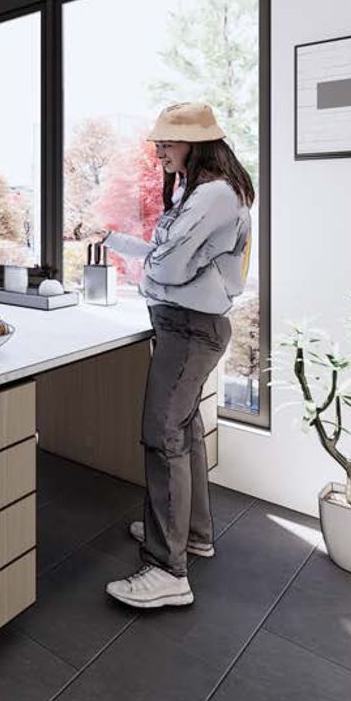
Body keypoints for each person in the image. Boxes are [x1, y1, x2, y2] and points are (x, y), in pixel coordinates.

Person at [86, 102, 253, 610]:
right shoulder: (197, 192)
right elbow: (166, 256)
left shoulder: (214, 195)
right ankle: (190, 533)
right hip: (185, 325)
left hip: (188, 329)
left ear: (197, 145)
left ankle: (166, 568)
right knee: (184, 432)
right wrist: (116, 241)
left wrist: (162, 265)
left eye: (168, 142)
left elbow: (169, 265)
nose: (158, 150)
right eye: (158, 142)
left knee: (163, 437)